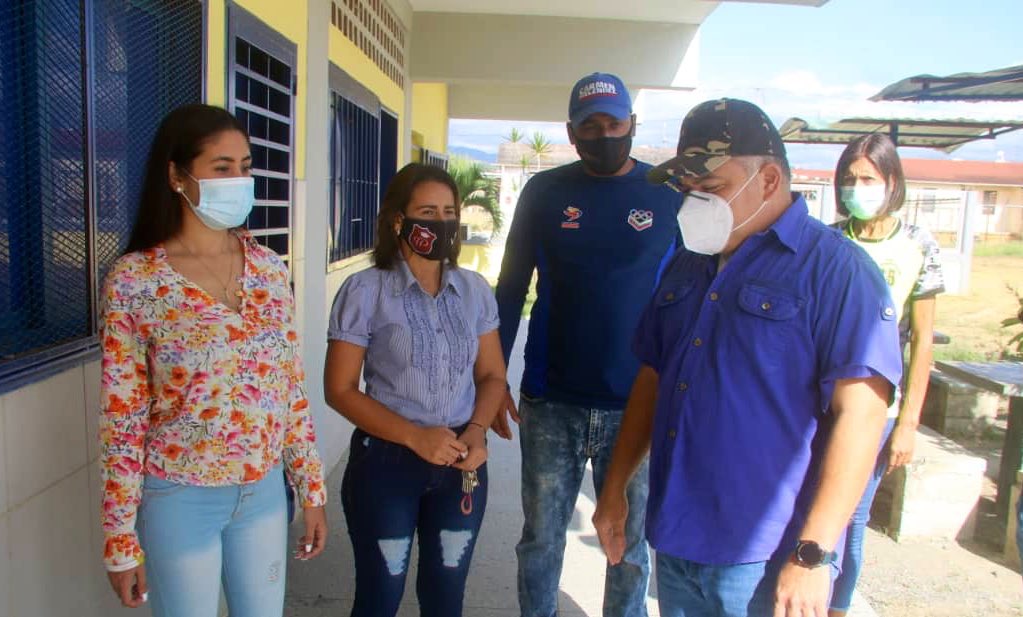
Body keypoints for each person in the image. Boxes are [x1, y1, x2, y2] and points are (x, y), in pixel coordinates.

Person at [592, 98, 904, 617]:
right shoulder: (687, 264)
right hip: (677, 537)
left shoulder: (837, 272)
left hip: (767, 558)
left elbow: (863, 416)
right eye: (687, 190)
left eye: (711, 187)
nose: (695, 204)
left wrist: (813, 553)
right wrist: (614, 487)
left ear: (769, 180)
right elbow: (654, 375)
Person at [99, 104, 327, 616]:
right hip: (180, 497)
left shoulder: (269, 270)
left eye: (244, 167)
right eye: (221, 168)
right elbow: (122, 416)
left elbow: (289, 389)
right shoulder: (135, 280)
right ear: (177, 176)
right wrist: (119, 538)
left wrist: (310, 487)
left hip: (263, 494)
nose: (238, 181)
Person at [495, 72, 682, 617]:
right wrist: (494, 375)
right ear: (572, 132)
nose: (604, 135)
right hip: (552, 401)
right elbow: (511, 287)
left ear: (632, 124)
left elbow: (689, 295)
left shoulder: (668, 195)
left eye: (614, 124)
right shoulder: (544, 192)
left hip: (636, 403)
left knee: (628, 548)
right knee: (540, 541)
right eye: (591, 126)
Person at [324, 163, 508, 617]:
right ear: (398, 220)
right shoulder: (365, 290)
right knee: (379, 598)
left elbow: (492, 376)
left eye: (449, 212)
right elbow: (340, 389)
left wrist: (477, 431)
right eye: (427, 212)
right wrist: (414, 436)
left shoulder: (474, 290)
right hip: (386, 464)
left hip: (461, 461)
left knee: (446, 598)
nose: (441, 223)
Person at [826, 133, 944, 615]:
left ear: (892, 182)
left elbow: (923, 340)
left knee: (851, 517)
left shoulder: (917, 245)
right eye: (850, 179)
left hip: (878, 412)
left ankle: (835, 607)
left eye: (868, 179)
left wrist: (908, 424)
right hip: (821, 403)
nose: (857, 189)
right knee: (811, 510)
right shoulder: (830, 241)